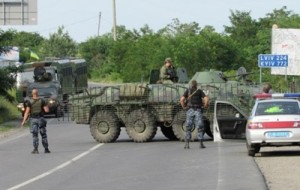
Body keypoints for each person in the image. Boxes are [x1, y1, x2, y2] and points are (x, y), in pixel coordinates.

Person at [180, 80, 209, 149]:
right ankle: (201, 144)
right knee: (200, 127)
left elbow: (181, 99)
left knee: (188, 127)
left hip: (189, 110)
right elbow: (206, 99)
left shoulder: (188, 91)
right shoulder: (199, 91)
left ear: (190, 85)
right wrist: (205, 105)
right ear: (196, 85)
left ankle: (187, 144)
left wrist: (184, 106)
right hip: (198, 110)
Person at [21, 88, 51, 154]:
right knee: (43, 134)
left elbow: (27, 112)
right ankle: (46, 149)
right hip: (41, 119)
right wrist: (46, 106)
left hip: (33, 119)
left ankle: (36, 149)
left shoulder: (29, 102)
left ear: (32, 94)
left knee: (35, 135)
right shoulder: (42, 101)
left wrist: (23, 121)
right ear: (37, 93)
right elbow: (47, 110)